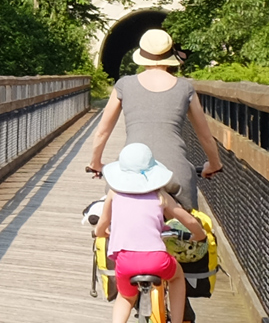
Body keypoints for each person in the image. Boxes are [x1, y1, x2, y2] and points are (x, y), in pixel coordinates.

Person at [85, 28, 223, 212]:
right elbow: (205, 136)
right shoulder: (185, 88)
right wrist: (214, 164)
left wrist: (95, 163)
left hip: (130, 173)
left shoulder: (124, 85)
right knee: (188, 228)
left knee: (114, 217)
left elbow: (102, 131)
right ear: (170, 57)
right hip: (175, 175)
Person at [93, 142, 205, 323]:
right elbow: (188, 219)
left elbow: (102, 225)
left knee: (126, 296)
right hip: (157, 260)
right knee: (177, 276)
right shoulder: (160, 196)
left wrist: (103, 232)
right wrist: (199, 235)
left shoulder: (114, 195)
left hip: (125, 262)